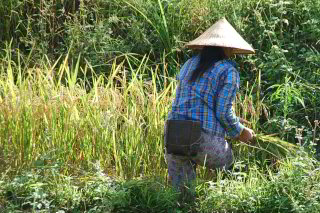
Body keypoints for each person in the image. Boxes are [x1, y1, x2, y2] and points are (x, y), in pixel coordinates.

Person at [164, 18, 255, 191]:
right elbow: (223, 112)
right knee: (233, 167)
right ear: (226, 47)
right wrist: (241, 132)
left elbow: (196, 103)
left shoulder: (189, 64)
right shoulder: (228, 70)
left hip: (173, 134)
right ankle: (229, 203)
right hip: (199, 137)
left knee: (182, 193)